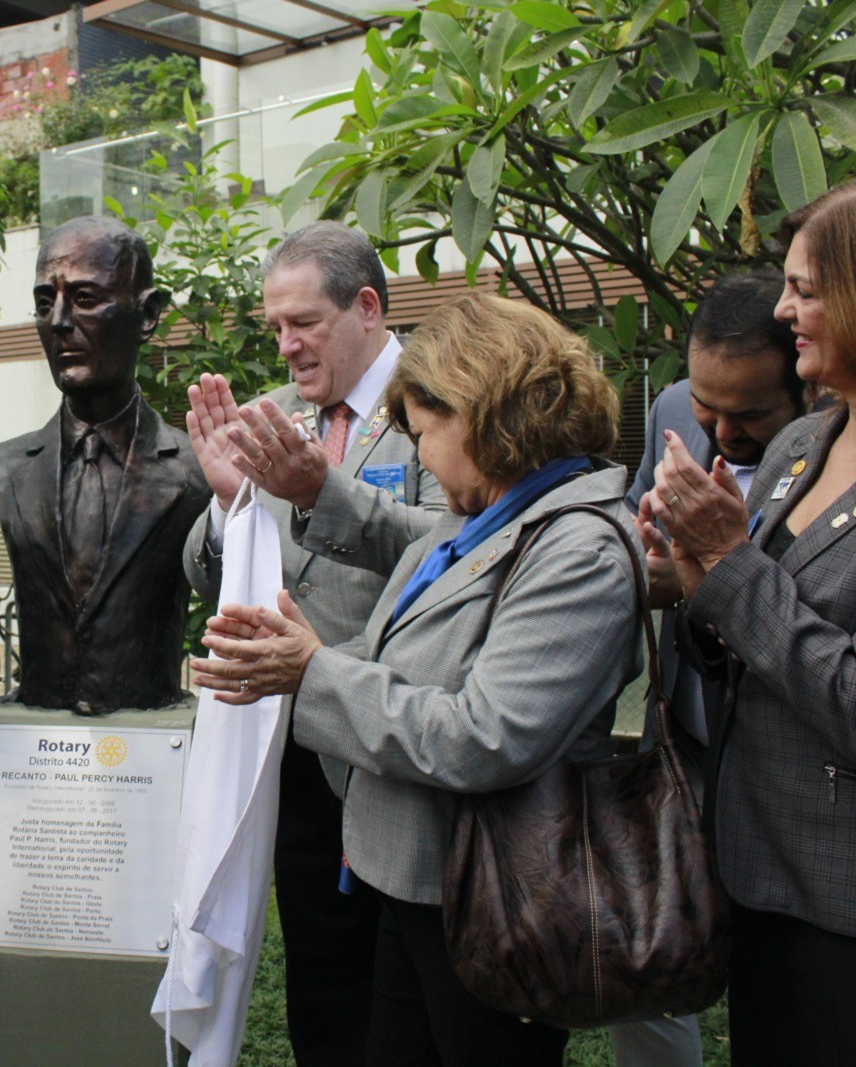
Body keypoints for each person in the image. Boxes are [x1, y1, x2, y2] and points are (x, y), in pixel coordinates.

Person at [195, 293, 638, 1066]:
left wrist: (311, 671)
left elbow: (485, 736)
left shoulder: (581, 550)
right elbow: (392, 632)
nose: (421, 456)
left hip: (496, 897)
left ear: (486, 417)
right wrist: (284, 650)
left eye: (426, 432)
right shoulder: (480, 517)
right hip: (414, 881)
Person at [643, 171, 856, 1066]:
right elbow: (742, 641)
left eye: (806, 290)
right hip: (757, 870)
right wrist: (693, 571)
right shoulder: (804, 441)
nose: (785, 312)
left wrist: (731, 561)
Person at [181, 220, 443, 1064]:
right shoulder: (277, 414)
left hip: (399, 745)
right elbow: (205, 566)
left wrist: (318, 492)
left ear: (366, 306)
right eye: (275, 327)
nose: (286, 345)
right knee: (322, 986)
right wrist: (230, 502)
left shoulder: (441, 398)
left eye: (303, 323)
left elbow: (460, 550)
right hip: (292, 748)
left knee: (406, 996)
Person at [609, 271, 803, 1067]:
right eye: (705, 407)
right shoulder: (668, 411)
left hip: (786, 750)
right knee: (650, 940)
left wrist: (714, 569)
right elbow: (634, 520)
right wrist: (645, 546)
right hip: (686, 729)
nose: (721, 431)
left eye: (751, 415)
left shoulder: (838, 444)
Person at [0, 215, 210, 712]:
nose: (59, 321)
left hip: (148, 728)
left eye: (85, 298)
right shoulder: (9, 468)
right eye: (45, 303)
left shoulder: (195, 470)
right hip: (40, 737)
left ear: (146, 314)